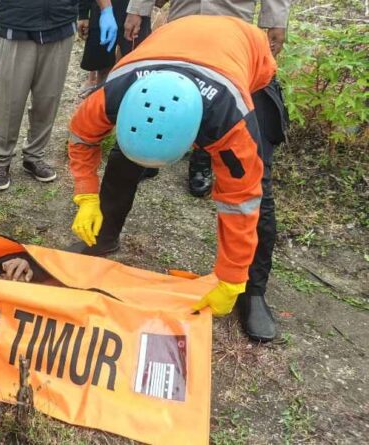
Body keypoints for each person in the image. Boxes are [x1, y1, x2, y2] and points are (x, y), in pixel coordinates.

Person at [67, 16, 280, 339]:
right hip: (172, 42)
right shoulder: (113, 94)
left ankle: (252, 290)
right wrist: (86, 195)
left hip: (247, 57)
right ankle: (104, 236)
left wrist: (232, 275)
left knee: (257, 183)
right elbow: (82, 138)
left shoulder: (230, 122)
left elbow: (241, 201)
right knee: (123, 160)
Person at [123, 0, 290, 198]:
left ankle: (202, 158)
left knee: (216, 94)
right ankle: (154, 150)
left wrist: (276, 21)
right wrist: (137, 10)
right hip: (184, 15)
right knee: (171, 80)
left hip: (231, 19)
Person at [0, 0, 114, 190]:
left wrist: (106, 9)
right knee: (10, 101)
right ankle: (1, 160)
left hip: (60, 25)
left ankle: (34, 156)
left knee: (48, 98)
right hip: (16, 27)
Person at [77, 0, 152, 98]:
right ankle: (101, 97)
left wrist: (137, 11)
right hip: (102, 10)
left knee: (132, 68)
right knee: (102, 66)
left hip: (135, 12)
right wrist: (83, 13)